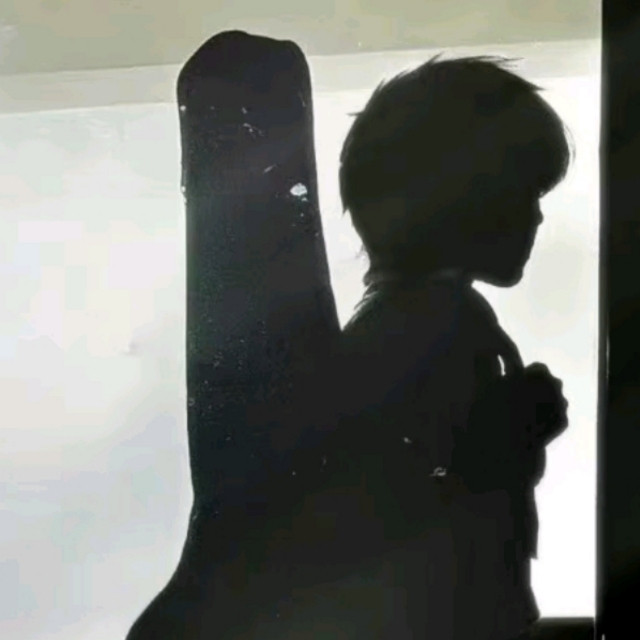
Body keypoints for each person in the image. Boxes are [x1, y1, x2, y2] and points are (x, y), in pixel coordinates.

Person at [276, 55, 571, 640]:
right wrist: (514, 436)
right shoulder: (425, 331)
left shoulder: (420, 323)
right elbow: (402, 516)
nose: (537, 215)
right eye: (522, 191)